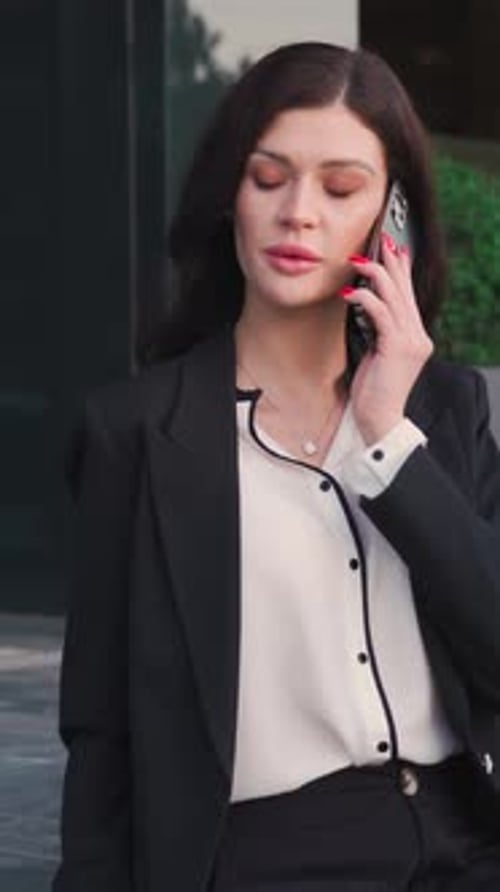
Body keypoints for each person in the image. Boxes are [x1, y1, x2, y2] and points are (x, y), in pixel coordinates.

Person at [54, 41, 500, 892]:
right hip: (271, 859)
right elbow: (101, 732)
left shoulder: (443, 410)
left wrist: (385, 441)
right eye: (268, 178)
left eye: (340, 189)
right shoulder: (140, 432)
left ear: (390, 220)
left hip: (465, 844)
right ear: (231, 195)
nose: (299, 212)